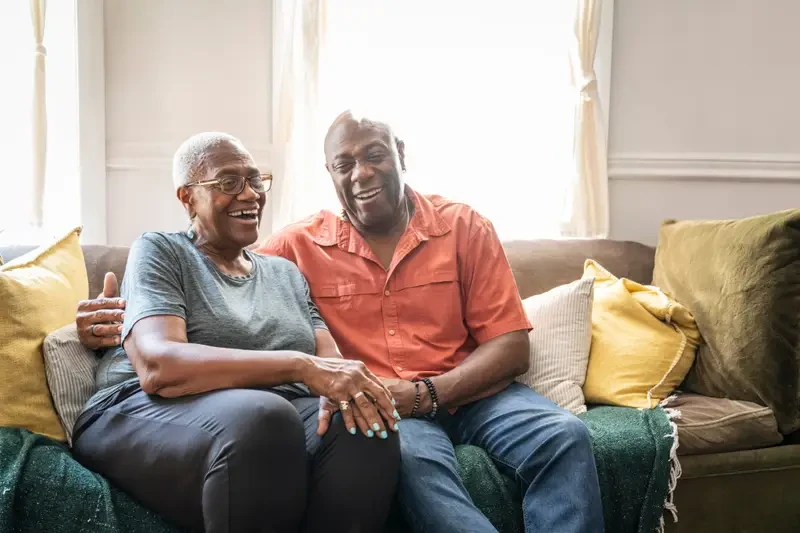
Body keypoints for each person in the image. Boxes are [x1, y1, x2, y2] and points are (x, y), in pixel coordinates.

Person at [79, 112, 604, 533]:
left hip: (467, 393)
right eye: (226, 182)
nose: (362, 173)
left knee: (549, 434)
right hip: (351, 405)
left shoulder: (453, 229)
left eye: (253, 180)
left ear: (400, 155)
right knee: (344, 432)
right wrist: (97, 320)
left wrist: (394, 390)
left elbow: (506, 346)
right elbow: (187, 300)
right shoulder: (277, 248)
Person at [72, 132, 401, 533]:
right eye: (228, 183)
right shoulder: (161, 251)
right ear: (187, 198)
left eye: (255, 180)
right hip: (138, 409)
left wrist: (347, 387)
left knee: (365, 421)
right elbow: (160, 365)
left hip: (264, 417)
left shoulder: (286, 274)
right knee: (265, 417)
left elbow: (330, 365)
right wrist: (298, 366)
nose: (250, 195)